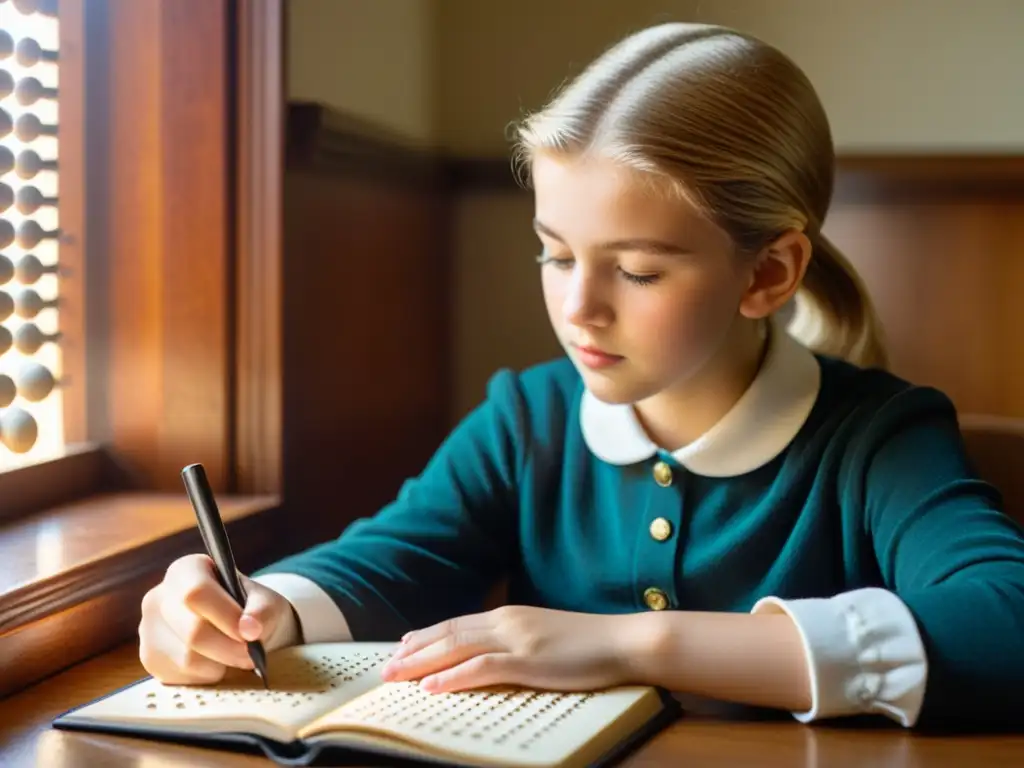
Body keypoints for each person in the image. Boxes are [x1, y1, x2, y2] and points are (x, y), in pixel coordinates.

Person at [138, 22, 1024, 730]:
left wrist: (634, 645)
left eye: (635, 271)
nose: (579, 308)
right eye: (554, 255)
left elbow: (1005, 625)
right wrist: (254, 609)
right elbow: (397, 556)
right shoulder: (528, 419)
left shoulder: (880, 439)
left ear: (768, 274)